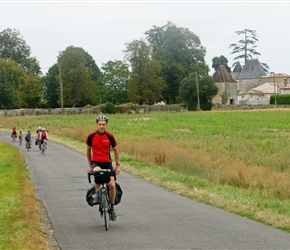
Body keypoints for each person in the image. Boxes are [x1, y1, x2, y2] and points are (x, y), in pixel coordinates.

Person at [86, 114, 120, 221]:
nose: (101, 126)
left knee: (112, 185)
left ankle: (112, 208)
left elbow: (116, 150)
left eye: (103, 124)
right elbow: (88, 150)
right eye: (100, 124)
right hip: (96, 162)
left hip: (107, 163)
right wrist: (90, 165)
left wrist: (117, 165)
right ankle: (97, 195)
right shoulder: (91, 136)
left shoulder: (110, 136)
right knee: (97, 175)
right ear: (97, 124)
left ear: (106, 125)